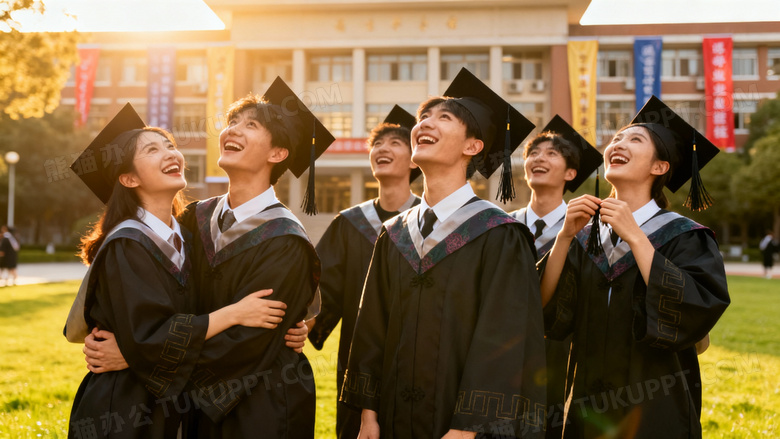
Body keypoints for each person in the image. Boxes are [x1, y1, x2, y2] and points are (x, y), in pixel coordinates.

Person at [341, 68, 546, 438]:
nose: (424, 124)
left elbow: (504, 338)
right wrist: (368, 415)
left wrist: (467, 429)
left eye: (443, 117)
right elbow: (371, 328)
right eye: (423, 117)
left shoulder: (499, 234)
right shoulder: (394, 234)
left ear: (473, 146)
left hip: (462, 428)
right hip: (391, 420)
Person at [66, 104, 289, 438]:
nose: (170, 153)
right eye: (152, 150)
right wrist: (234, 314)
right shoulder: (128, 244)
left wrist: (292, 324)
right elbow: (148, 339)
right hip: (126, 407)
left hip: (170, 404)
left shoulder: (190, 237)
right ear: (129, 178)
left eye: (169, 145)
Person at [539, 96, 731, 438]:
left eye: (634, 139)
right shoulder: (586, 237)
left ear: (659, 167)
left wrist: (636, 237)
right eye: (616, 139)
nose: (618, 143)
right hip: (586, 406)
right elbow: (542, 308)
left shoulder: (684, 236)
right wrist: (564, 238)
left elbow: (697, 311)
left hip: (655, 408)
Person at [307, 105, 421, 439]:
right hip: (358, 362)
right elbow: (321, 289)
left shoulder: (432, 222)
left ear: (415, 159)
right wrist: (299, 326)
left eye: (396, 143)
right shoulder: (349, 224)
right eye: (378, 143)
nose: (383, 148)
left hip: (419, 356)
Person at [510, 116, 601, 438]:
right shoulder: (501, 228)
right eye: (533, 153)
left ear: (571, 173)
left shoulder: (590, 233)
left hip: (561, 353)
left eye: (551, 154)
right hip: (506, 351)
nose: (538, 158)